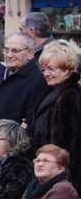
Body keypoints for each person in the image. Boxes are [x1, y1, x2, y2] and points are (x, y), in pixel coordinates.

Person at [0, 33, 47, 154]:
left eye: (15, 51)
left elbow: (30, 122)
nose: (9, 55)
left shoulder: (37, 80)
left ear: (30, 53)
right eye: (6, 50)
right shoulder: (1, 75)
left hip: (13, 152)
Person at [28, 40, 81, 188]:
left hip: (57, 175)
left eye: (51, 69)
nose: (46, 74)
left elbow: (66, 145)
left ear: (66, 69)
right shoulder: (51, 91)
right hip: (47, 170)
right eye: (43, 69)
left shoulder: (68, 96)